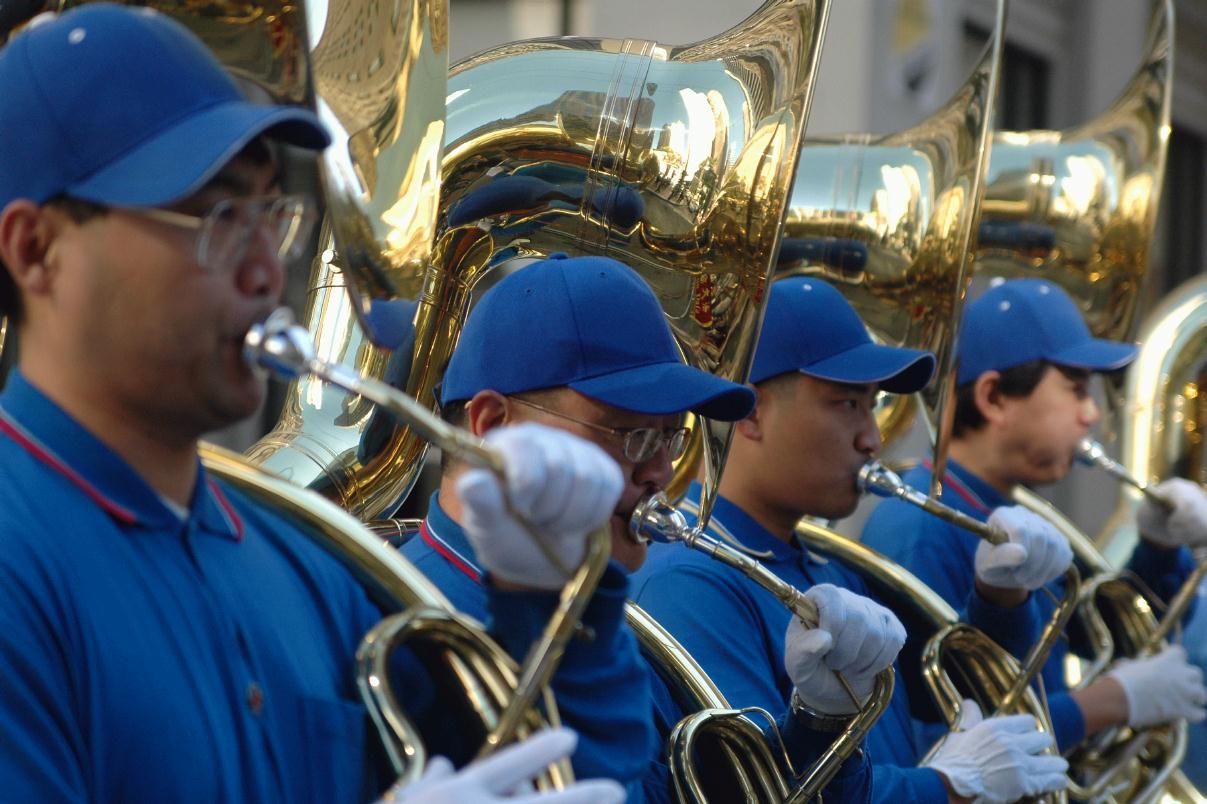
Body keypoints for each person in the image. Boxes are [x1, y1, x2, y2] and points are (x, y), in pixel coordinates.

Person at [0, 6, 625, 802]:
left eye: (273, 215)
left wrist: (551, 605)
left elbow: (570, 774)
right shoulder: (17, 564)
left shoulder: (303, 566)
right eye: (217, 216)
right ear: (37, 251)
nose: (267, 271)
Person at [404, 254, 909, 802]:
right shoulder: (396, 611)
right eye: (629, 433)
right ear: (493, 427)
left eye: (670, 437)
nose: (663, 471)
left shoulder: (600, 615)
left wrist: (817, 729)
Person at [632, 277, 1073, 804]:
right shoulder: (688, 580)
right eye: (847, 404)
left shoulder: (820, 559)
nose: (873, 438)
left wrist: (1000, 598)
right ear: (751, 412)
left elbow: (957, 694)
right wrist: (945, 787)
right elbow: (764, 786)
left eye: (872, 405)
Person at [863, 277, 1207, 752]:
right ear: (994, 398)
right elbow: (940, 735)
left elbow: (1106, 632)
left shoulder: (1004, 504)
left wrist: (1161, 550)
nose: (1091, 414)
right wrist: (1109, 702)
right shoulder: (922, 526)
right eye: (1076, 388)